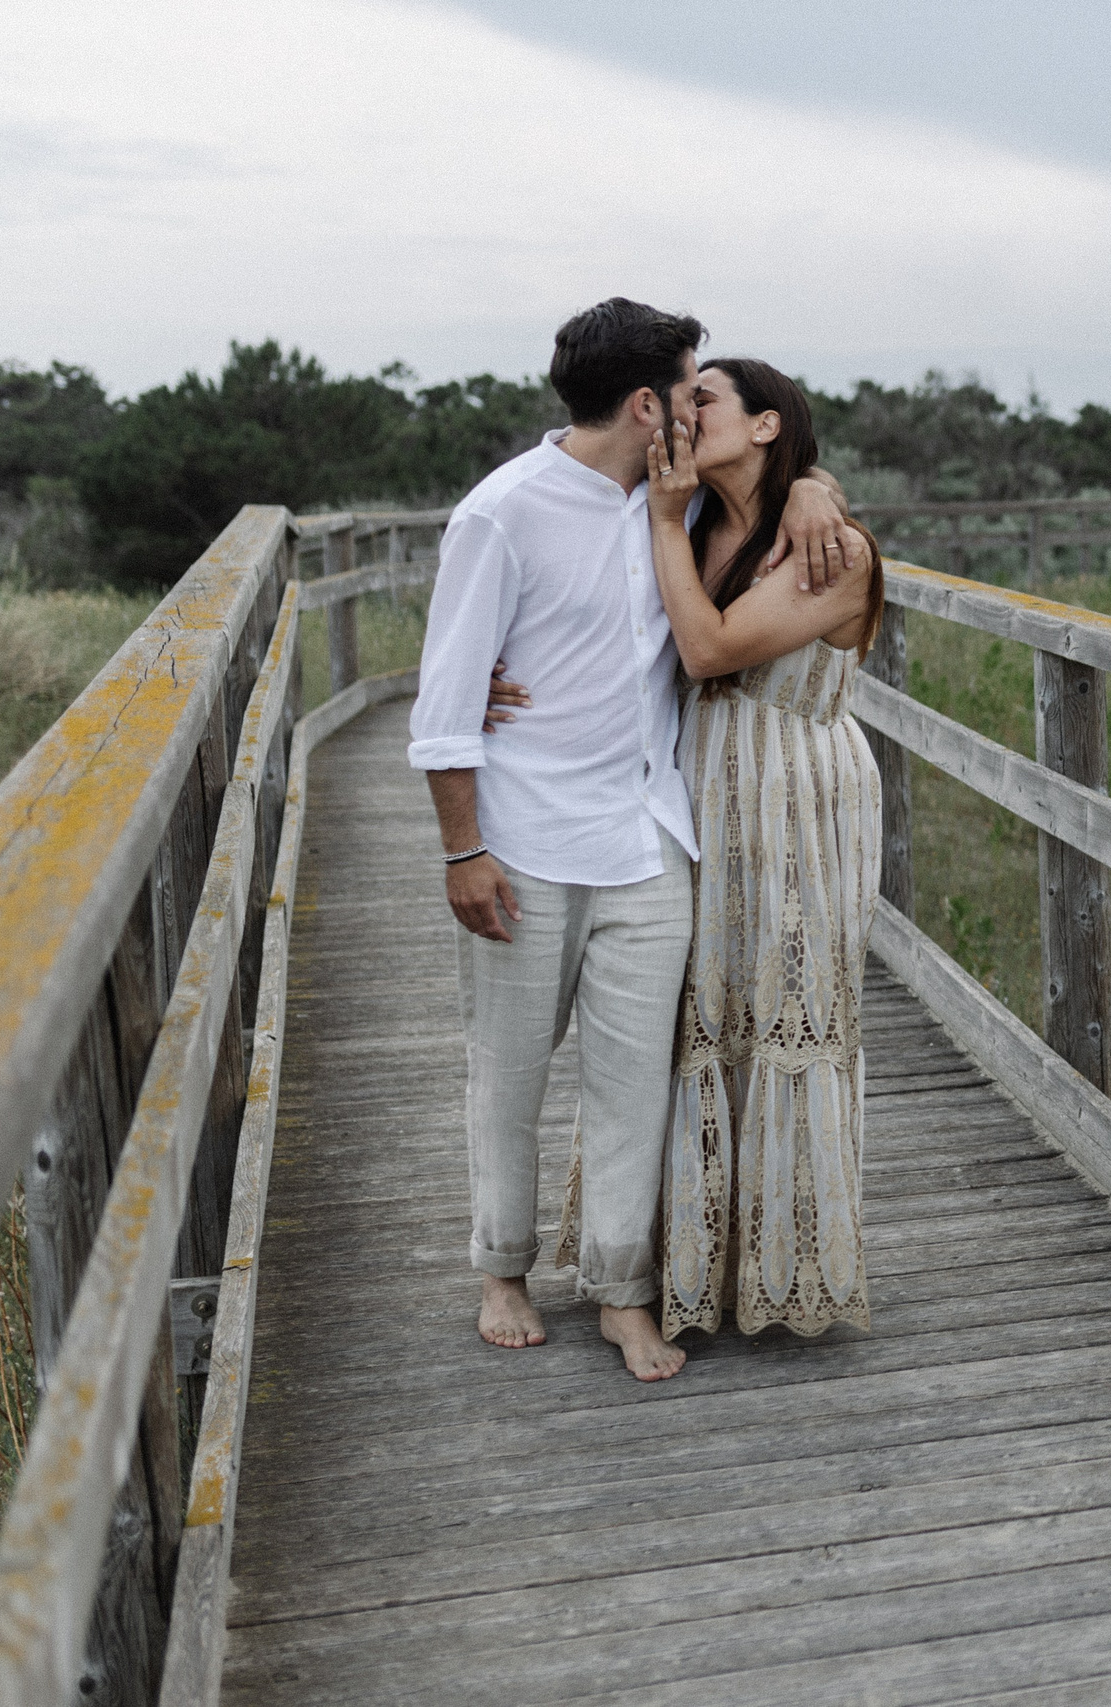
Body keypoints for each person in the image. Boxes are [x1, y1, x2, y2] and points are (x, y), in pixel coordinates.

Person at [408, 299, 860, 1381]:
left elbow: (783, 472)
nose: (700, 403)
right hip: (521, 839)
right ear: (648, 402)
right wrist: (461, 851)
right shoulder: (501, 513)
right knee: (509, 1073)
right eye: (690, 385)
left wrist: (812, 483)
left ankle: (621, 1290)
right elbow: (443, 707)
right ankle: (503, 1269)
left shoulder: (683, 503)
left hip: (652, 836)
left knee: (633, 1083)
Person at [615, 357, 885, 1340]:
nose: (684, 414)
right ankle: (701, 1266)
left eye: (705, 400)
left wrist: (813, 493)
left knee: (787, 1000)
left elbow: (708, 651)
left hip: (799, 797)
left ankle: (791, 1268)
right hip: (704, 795)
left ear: (767, 425)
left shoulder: (830, 548)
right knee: (704, 1007)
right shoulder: (700, 524)